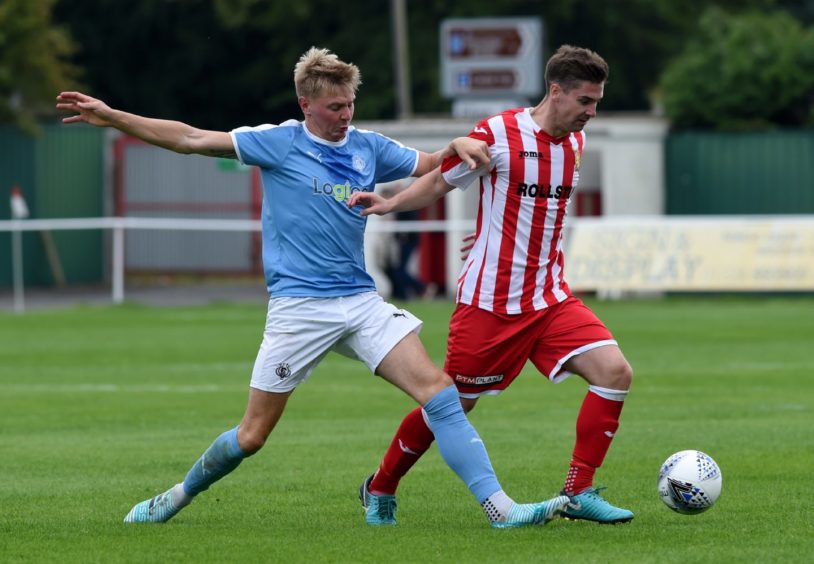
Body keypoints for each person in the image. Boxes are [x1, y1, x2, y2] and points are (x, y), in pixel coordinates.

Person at [56, 47, 570, 528]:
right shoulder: (278, 142)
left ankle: (500, 509)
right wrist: (114, 115)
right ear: (305, 104)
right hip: (298, 310)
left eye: (349, 104)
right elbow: (190, 138)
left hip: (360, 302)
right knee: (252, 436)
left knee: (439, 393)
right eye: (333, 107)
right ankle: (174, 498)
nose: (345, 115)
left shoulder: (369, 147)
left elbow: (430, 165)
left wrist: (455, 145)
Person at [348, 45, 634, 525]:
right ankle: (380, 486)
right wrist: (390, 205)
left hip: (549, 297)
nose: (592, 111)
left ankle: (578, 491)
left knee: (615, 373)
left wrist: (486, 233)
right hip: (491, 305)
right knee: (450, 404)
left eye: (597, 101)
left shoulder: (575, 145)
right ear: (556, 91)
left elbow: (532, 211)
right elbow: (442, 181)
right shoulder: (498, 133)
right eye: (585, 100)